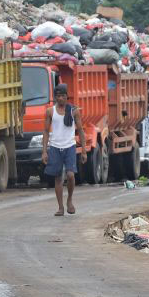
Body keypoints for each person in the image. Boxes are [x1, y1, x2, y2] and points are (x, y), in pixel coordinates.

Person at [41, 84, 86, 217]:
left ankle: (69, 200)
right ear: (55, 97)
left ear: (67, 97)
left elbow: (81, 130)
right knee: (58, 178)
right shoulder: (50, 111)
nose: (60, 98)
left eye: (63, 96)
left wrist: (83, 150)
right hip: (55, 147)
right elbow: (45, 131)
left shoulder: (73, 111)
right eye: (58, 96)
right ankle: (60, 207)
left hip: (70, 146)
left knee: (71, 175)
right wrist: (44, 151)